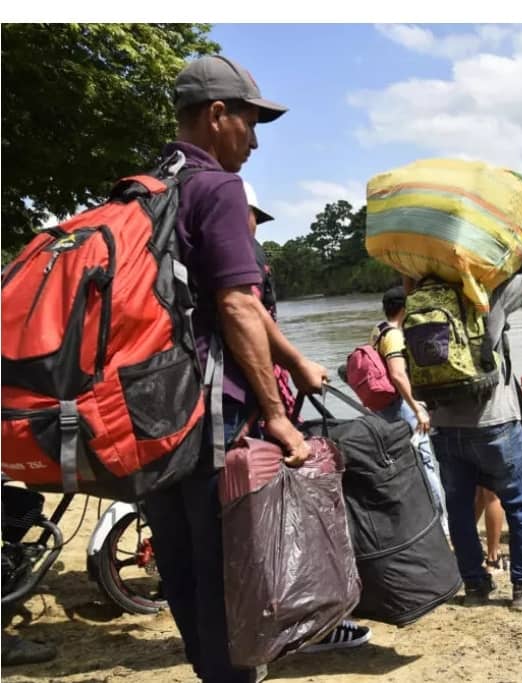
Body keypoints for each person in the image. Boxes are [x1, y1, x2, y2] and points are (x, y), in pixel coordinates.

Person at [143, 55, 328, 683]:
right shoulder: (218, 187)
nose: (252, 139)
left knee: (188, 582)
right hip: (211, 423)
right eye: (249, 123)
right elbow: (236, 303)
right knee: (236, 587)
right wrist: (277, 416)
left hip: (153, 419)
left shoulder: (146, 187)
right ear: (216, 115)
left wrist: (295, 359)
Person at [421, 180, 522, 611]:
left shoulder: (420, 295)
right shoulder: (492, 292)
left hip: (445, 425)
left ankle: (476, 585)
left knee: (461, 512)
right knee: (519, 503)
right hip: (496, 423)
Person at [242, 180, 372, 652]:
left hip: (227, 414)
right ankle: (312, 623)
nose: (253, 226)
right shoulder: (246, 260)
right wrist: (290, 378)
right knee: (297, 510)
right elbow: (251, 319)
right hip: (259, 409)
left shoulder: (194, 259)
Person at [370, 286, 448, 533]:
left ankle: (414, 520)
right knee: (425, 462)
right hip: (402, 406)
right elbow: (397, 374)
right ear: (405, 308)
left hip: (384, 407)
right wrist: (417, 409)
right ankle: (442, 523)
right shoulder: (394, 334)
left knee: (402, 463)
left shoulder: (378, 330)